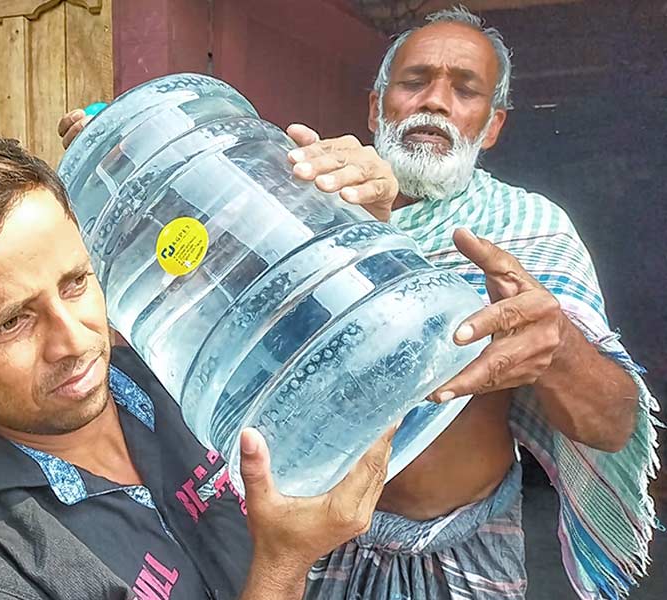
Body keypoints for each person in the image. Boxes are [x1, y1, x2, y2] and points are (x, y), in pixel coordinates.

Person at [58, 6, 660, 600]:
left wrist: (558, 349)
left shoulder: (526, 226)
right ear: (378, 106)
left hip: (461, 556)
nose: (435, 102)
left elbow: (611, 424)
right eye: (415, 81)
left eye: (466, 89)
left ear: (492, 124)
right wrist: (124, 155)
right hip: (304, 550)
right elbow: (191, 291)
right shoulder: (294, 192)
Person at [0, 131, 396, 599]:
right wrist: (282, 565)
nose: (75, 341)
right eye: (9, 323)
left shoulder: (176, 359)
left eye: (76, 284)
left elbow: (351, 363)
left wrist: (354, 235)